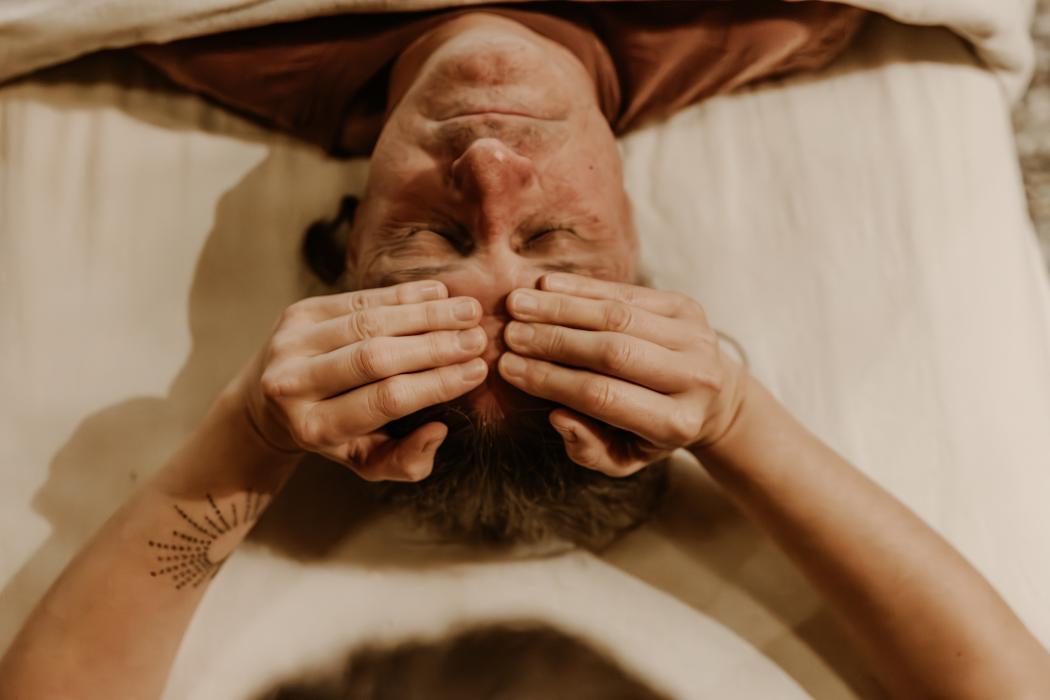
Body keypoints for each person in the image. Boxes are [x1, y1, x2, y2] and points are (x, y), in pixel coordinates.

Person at [4, 3, 1050, 698]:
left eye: (428, 237)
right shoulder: (786, 17)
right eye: (557, 238)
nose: (492, 167)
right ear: (635, 233)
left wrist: (249, 434)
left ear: (352, 236)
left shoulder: (197, 37)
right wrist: (731, 412)